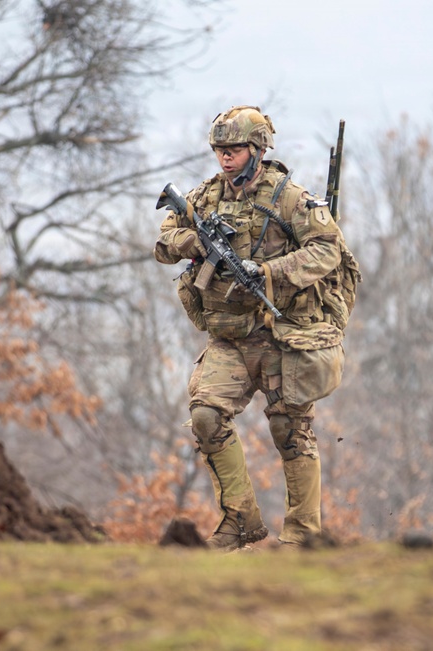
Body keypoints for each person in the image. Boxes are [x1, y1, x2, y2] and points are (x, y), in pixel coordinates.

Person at [154, 105, 359, 551]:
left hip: (283, 334)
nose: (226, 158)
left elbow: (328, 250)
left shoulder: (290, 198)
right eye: (220, 150)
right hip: (229, 336)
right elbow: (164, 240)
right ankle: (240, 520)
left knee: (291, 431)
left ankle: (303, 536)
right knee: (205, 414)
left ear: (258, 149)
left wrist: (268, 273)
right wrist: (192, 241)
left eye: (235, 149)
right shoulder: (205, 198)